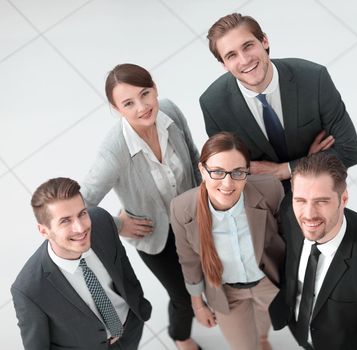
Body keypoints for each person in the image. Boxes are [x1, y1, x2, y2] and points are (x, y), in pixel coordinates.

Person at [80, 63, 201, 350]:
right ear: (115, 108)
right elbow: (81, 205)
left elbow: (194, 155)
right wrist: (118, 224)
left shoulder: (169, 111)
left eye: (145, 94)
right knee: (182, 297)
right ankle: (181, 336)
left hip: (192, 219)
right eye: (128, 103)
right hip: (155, 235)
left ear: (155, 89)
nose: (142, 107)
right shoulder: (114, 150)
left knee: (203, 276)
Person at [200, 13, 357, 188]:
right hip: (262, 198)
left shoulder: (314, 79)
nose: (245, 60)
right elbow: (230, 175)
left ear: (264, 41)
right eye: (231, 55)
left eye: (248, 46)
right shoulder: (213, 104)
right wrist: (311, 159)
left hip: (316, 186)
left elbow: (349, 150)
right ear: (224, 64)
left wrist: (287, 169)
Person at [269, 153, 357, 349]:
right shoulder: (290, 212)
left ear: (343, 199)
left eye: (321, 201)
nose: (308, 215)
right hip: (302, 331)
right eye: (301, 200)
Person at [170, 132, 285, 350]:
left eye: (237, 172)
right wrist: (198, 304)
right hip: (227, 293)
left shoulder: (270, 189)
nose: (227, 183)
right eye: (218, 172)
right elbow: (189, 260)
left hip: (268, 281)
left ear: (247, 171)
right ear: (202, 170)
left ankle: (262, 339)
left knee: (264, 326)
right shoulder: (182, 208)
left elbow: (286, 237)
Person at [11, 177, 152, 350]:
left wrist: (137, 305)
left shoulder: (101, 222)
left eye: (82, 213)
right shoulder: (29, 290)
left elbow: (123, 268)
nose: (80, 228)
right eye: (65, 221)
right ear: (44, 231)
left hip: (130, 325)